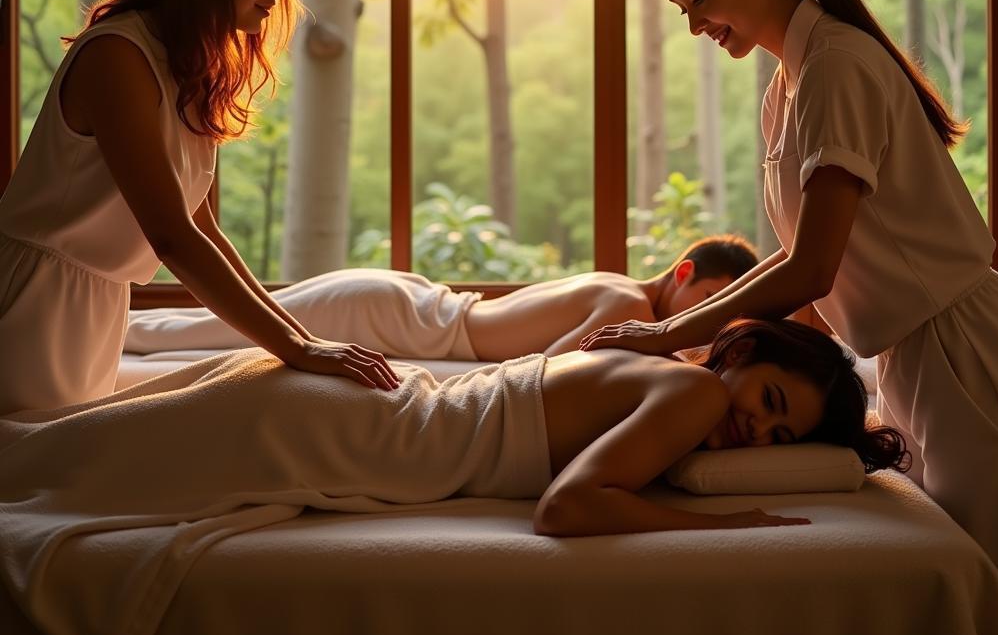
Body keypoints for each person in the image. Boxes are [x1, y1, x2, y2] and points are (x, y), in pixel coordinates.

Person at [580, 0, 998, 601]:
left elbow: (812, 269)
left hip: (966, 354)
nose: (694, 24)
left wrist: (666, 335)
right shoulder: (787, 89)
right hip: (916, 358)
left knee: (996, 588)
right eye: (681, 8)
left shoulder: (837, 69)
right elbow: (802, 266)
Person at [0, 0, 400, 417]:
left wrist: (303, 342)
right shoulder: (118, 56)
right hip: (31, 309)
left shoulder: (183, 66)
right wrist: (299, 347)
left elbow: (200, 225)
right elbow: (172, 238)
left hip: (88, 309)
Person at [0, 318, 907, 548]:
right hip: (344, 436)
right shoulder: (694, 397)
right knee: (49, 480)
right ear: (741, 353)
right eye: (771, 400)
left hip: (349, 420)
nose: (757, 430)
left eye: (780, 438)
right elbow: (568, 508)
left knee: (53, 465)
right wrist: (727, 530)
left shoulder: (676, 396)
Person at [123, 234, 759, 360]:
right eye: (706, 301)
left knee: (201, 324)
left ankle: (103, 328)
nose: (703, 322)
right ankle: (93, 328)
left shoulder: (618, 288)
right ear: (681, 273)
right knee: (200, 331)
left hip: (403, 304)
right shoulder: (629, 309)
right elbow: (555, 367)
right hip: (399, 313)